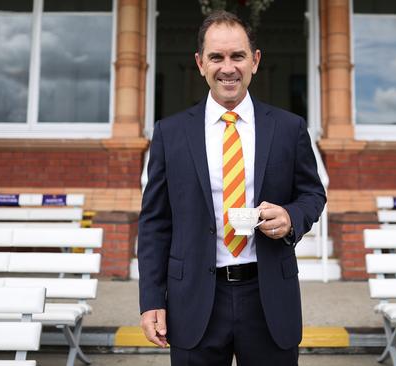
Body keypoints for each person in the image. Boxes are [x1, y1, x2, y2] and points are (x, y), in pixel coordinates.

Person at [137, 10, 326, 366]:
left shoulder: (289, 128)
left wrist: (291, 216)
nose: (228, 68)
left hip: (268, 296)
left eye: (237, 56)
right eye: (216, 57)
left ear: (255, 60)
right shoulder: (170, 133)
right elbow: (154, 224)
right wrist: (151, 300)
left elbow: (313, 194)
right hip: (193, 300)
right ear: (199, 63)